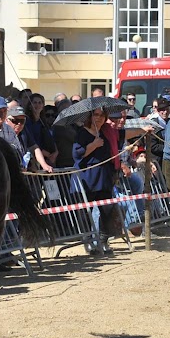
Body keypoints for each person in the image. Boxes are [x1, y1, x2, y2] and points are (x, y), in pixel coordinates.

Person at [73, 108, 118, 256]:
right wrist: (94, 144)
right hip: (87, 177)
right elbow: (77, 154)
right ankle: (89, 243)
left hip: (103, 176)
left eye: (102, 115)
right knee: (86, 212)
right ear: (90, 116)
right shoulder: (82, 132)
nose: (99, 118)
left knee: (107, 209)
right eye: (96, 115)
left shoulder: (104, 132)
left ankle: (104, 241)